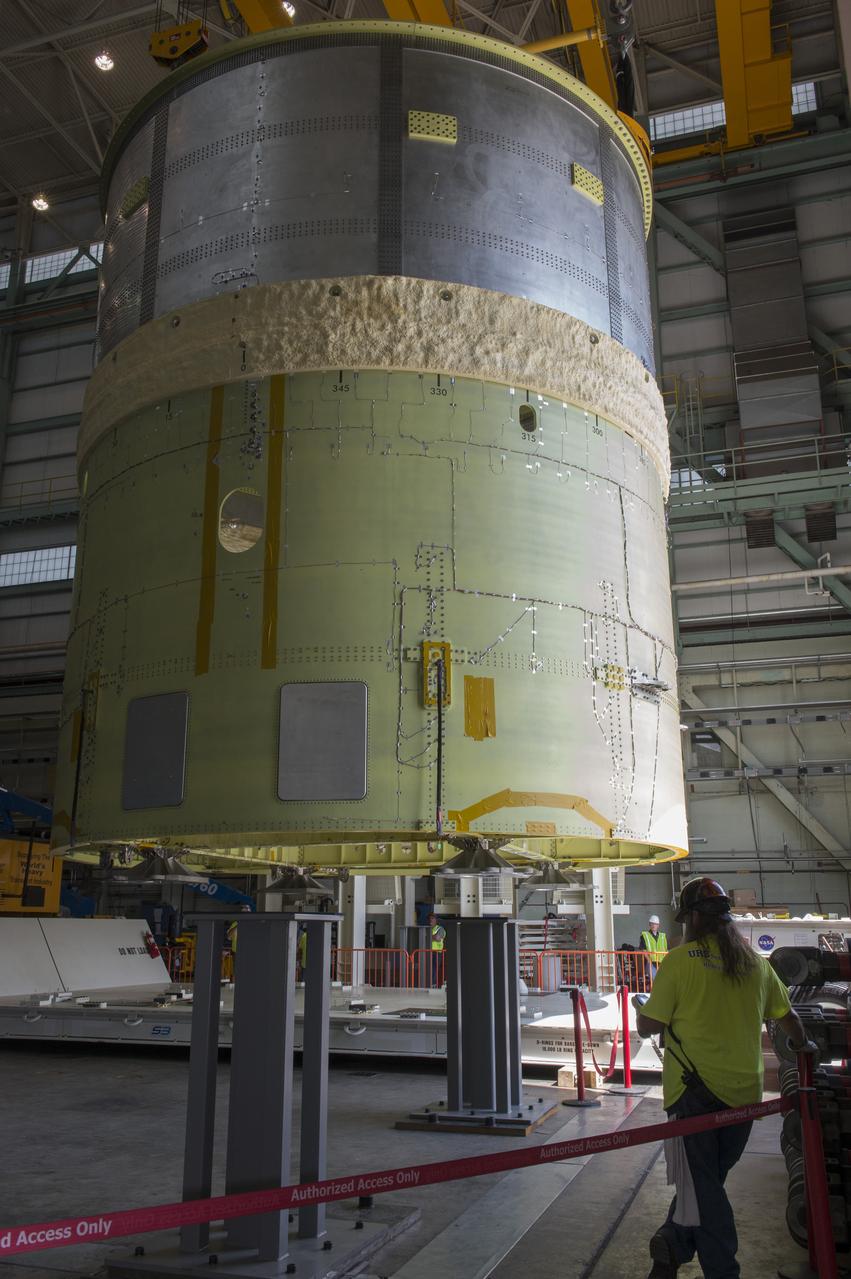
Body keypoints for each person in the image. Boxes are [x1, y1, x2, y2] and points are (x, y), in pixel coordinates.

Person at [636, 876, 809, 1279]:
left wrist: (643, 1010)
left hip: (692, 1094)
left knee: (705, 1189)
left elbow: (648, 1026)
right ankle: (671, 1244)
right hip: (744, 1096)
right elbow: (791, 1021)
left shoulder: (678, 963)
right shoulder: (755, 965)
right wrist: (805, 1049)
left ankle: (720, 1268)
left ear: (693, 918)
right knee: (705, 1182)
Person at [640, 914, 668, 981]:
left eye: (655, 924)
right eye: (652, 923)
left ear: (658, 925)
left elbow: (666, 950)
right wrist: (649, 961)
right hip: (651, 963)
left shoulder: (662, 936)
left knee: (664, 980)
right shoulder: (645, 935)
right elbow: (643, 950)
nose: (653, 925)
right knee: (656, 980)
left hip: (661, 963)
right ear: (649, 924)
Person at [428, 911, 446, 985]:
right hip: (427, 952)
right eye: (429, 918)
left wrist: (427, 937)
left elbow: (437, 938)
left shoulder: (440, 929)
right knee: (429, 969)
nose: (430, 920)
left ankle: (433, 984)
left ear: (436, 920)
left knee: (434, 969)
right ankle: (428, 983)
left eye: (432, 918)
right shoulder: (428, 929)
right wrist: (432, 937)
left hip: (436, 953)